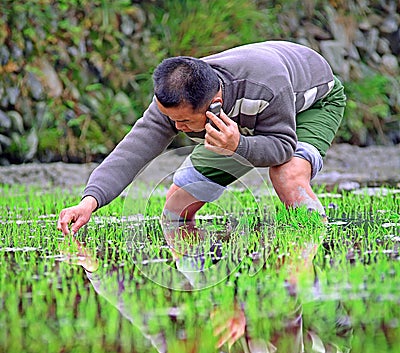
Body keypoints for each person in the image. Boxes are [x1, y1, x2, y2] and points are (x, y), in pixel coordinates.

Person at [57, 40, 346, 235]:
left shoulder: (265, 84)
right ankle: (213, 289)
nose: (176, 127)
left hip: (310, 103)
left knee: (288, 174)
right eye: (171, 119)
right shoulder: (174, 101)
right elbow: (130, 153)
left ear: (214, 102)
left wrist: (239, 146)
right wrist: (89, 202)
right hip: (237, 126)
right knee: (175, 208)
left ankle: (312, 265)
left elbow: (282, 147)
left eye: (183, 121)